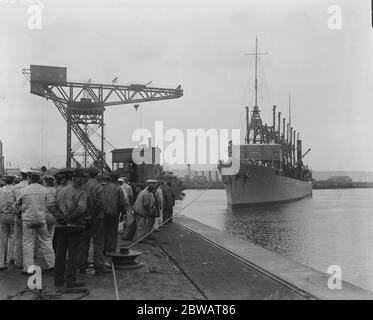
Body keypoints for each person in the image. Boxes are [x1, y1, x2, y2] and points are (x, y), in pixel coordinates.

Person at [54, 168, 88, 288]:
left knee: (60, 253)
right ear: (77, 178)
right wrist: (68, 218)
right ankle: (71, 281)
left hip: (60, 226)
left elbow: (52, 205)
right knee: (73, 254)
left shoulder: (60, 190)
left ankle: (58, 280)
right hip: (75, 225)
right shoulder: (81, 192)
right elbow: (81, 209)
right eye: (82, 178)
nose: (83, 180)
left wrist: (61, 218)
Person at [17, 171, 55, 275]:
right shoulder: (45, 190)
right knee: (46, 241)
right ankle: (52, 265)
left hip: (28, 220)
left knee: (28, 244)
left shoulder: (24, 190)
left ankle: (29, 269)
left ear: (29, 178)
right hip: (41, 219)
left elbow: (18, 202)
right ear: (38, 178)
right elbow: (49, 203)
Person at [78, 167, 109, 276]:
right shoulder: (98, 186)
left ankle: (81, 265)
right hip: (97, 218)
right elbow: (100, 203)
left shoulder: (82, 186)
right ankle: (99, 267)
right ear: (97, 175)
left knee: (83, 242)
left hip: (83, 218)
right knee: (98, 243)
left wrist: (86, 214)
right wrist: (93, 214)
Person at [102, 173, 127, 253]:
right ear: (117, 179)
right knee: (112, 232)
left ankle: (104, 248)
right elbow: (121, 203)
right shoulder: (118, 189)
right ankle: (111, 249)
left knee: (104, 231)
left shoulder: (104, 187)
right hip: (114, 213)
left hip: (103, 213)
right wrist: (123, 213)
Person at [0, 175, 17, 271]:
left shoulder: (1, 190)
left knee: (3, 239)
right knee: (13, 237)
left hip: (3, 215)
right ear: (13, 180)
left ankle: (1, 262)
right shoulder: (15, 189)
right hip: (13, 216)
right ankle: (11, 257)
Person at [13, 168, 29, 269]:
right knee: (28, 240)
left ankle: (18, 261)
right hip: (27, 214)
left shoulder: (16, 187)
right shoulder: (29, 186)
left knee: (18, 238)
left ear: (21, 175)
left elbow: (14, 201)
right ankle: (27, 262)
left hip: (17, 214)